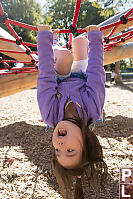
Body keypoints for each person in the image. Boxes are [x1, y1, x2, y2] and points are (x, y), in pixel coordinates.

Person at [37, 24, 107, 199]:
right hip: (84, 77)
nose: (60, 147)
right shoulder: (93, 109)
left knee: (63, 57)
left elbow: (45, 75)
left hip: (58, 78)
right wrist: (96, 39)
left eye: (58, 152)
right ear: (85, 140)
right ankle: (75, 47)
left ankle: (55, 43)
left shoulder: (50, 114)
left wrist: (44, 38)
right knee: (81, 42)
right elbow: (96, 73)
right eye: (70, 151)